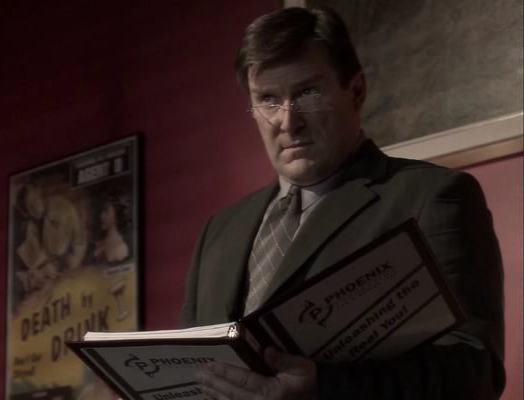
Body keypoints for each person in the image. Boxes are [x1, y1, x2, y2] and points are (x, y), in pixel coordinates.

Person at [181, 6, 505, 400]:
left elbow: (475, 374)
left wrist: (325, 388)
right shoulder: (219, 231)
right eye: (267, 99)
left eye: (308, 92)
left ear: (356, 91)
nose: (288, 121)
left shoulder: (433, 198)